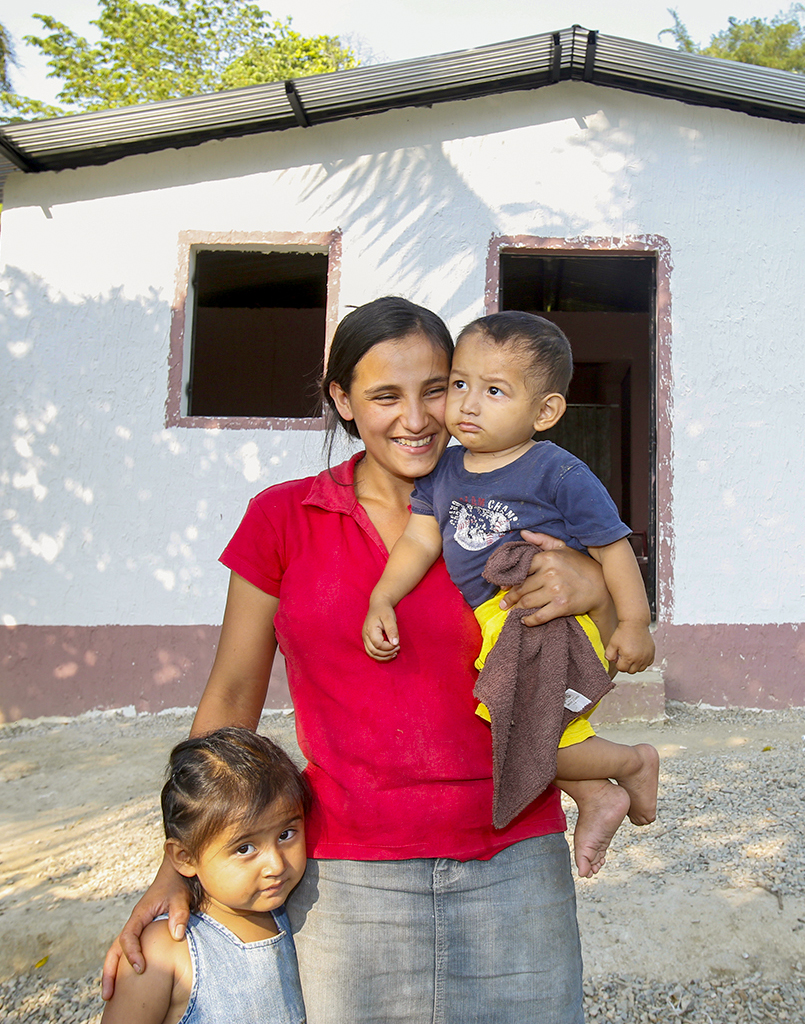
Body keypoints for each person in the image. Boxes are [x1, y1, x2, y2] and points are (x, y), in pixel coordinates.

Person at [103, 296, 620, 1024]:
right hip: (348, 876)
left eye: (437, 389)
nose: (417, 418)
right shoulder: (282, 520)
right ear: (342, 400)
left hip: (515, 854)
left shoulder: (524, 506)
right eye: (384, 396)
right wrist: (175, 867)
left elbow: (602, 645)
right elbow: (232, 695)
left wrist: (591, 584)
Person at [363, 311, 660, 861]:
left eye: (494, 391)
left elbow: (612, 548)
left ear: (544, 411)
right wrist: (383, 595)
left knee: (532, 738)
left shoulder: (558, 473)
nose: (468, 404)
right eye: (459, 385)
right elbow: (419, 543)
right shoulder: (444, 472)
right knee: (531, 731)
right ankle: (597, 796)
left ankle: (632, 763)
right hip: (501, 629)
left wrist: (636, 624)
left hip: (554, 625)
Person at [101, 727, 309, 1024]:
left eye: (286, 834)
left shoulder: (297, 913)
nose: (275, 865)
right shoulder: (165, 950)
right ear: (185, 858)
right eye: (245, 848)